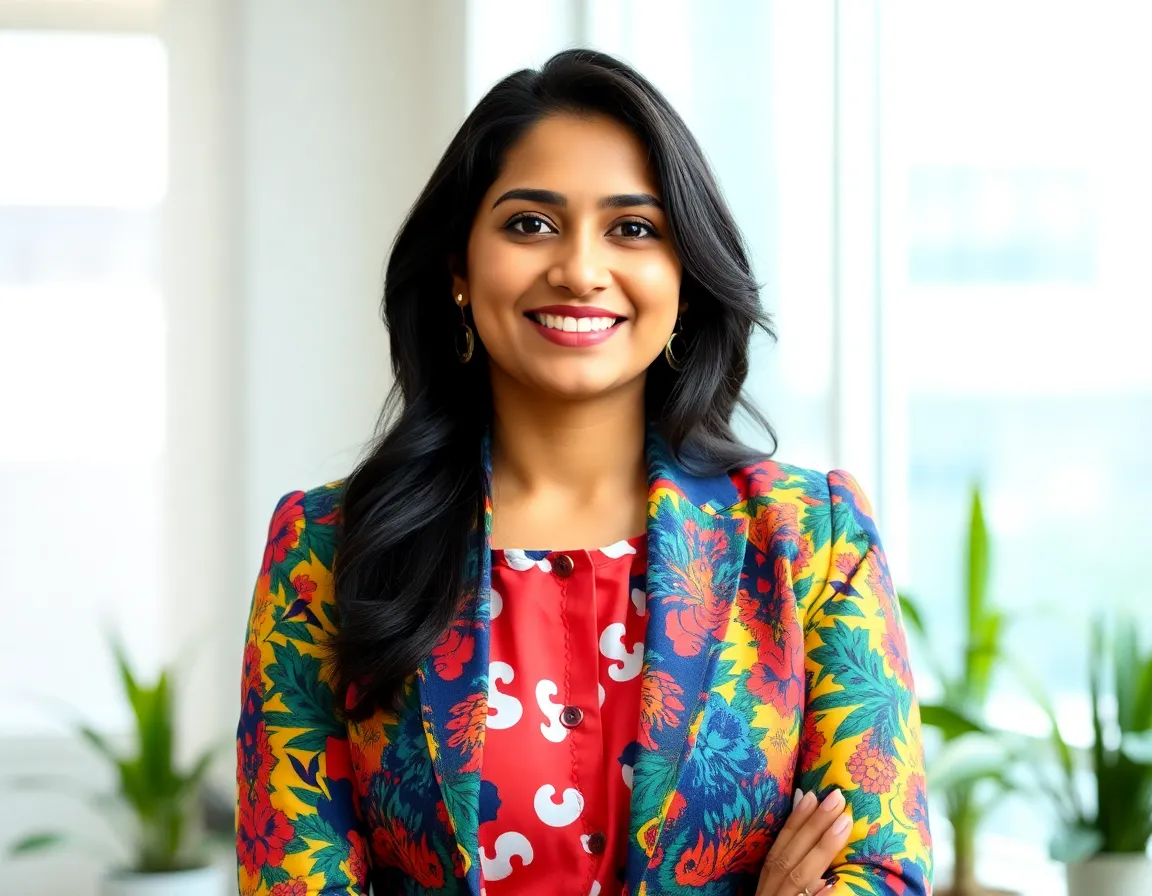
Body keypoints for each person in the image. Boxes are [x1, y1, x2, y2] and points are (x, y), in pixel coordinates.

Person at [236, 48, 932, 896]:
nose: (579, 269)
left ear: (683, 274)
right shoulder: (323, 550)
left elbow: (881, 872)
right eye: (530, 223)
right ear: (459, 269)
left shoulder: (811, 539)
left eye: (633, 229)